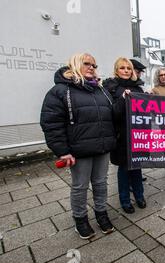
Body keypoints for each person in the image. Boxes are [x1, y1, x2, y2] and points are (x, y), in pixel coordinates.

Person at [40, 53, 116, 239]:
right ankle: (80, 219)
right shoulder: (60, 91)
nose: (92, 67)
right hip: (79, 150)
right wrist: (63, 151)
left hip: (102, 146)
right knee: (80, 186)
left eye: (94, 65)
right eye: (87, 64)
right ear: (74, 65)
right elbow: (51, 123)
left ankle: (101, 213)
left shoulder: (101, 90)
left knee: (100, 183)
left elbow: (111, 116)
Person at [103, 57, 147, 214]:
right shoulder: (111, 89)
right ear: (116, 70)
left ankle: (139, 196)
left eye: (128, 68)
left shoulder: (138, 89)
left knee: (137, 168)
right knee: (124, 170)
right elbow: (112, 113)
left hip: (137, 135)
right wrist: (123, 100)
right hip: (122, 136)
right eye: (122, 68)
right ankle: (125, 200)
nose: (126, 71)